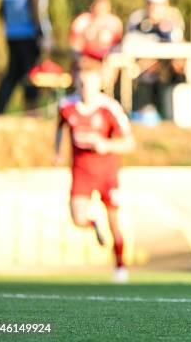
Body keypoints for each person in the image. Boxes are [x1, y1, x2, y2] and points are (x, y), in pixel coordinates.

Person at [55, 68, 135, 282]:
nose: (85, 89)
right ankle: (93, 224)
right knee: (78, 218)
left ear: (99, 84)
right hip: (81, 172)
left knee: (114, 224)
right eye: (81, 84)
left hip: (107, 173)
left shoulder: (109, 108)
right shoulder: (66, 106)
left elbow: (129, 142)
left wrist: (106, 145)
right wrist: (58, 152)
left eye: (89, 84)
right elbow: (59, 129)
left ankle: (120, 268)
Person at [126, 0, 185, 123]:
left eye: (158, 4)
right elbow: (130, 43)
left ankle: (172, 112)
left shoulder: (173, 17)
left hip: (166, 66)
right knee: (140, 71)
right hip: (143, 67)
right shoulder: (138, 19)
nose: (154, 8)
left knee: (179, 67)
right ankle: (142, 109)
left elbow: (179, 42)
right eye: (151, 3)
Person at [69, 0, 123, 88]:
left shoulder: (114, 23)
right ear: (92, 6)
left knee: (109, 69)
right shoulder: (82, 21)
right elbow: (75, 47)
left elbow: (117, 48)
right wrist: (83, 60)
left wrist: (104, 63)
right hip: (85, 62)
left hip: (105, 63)